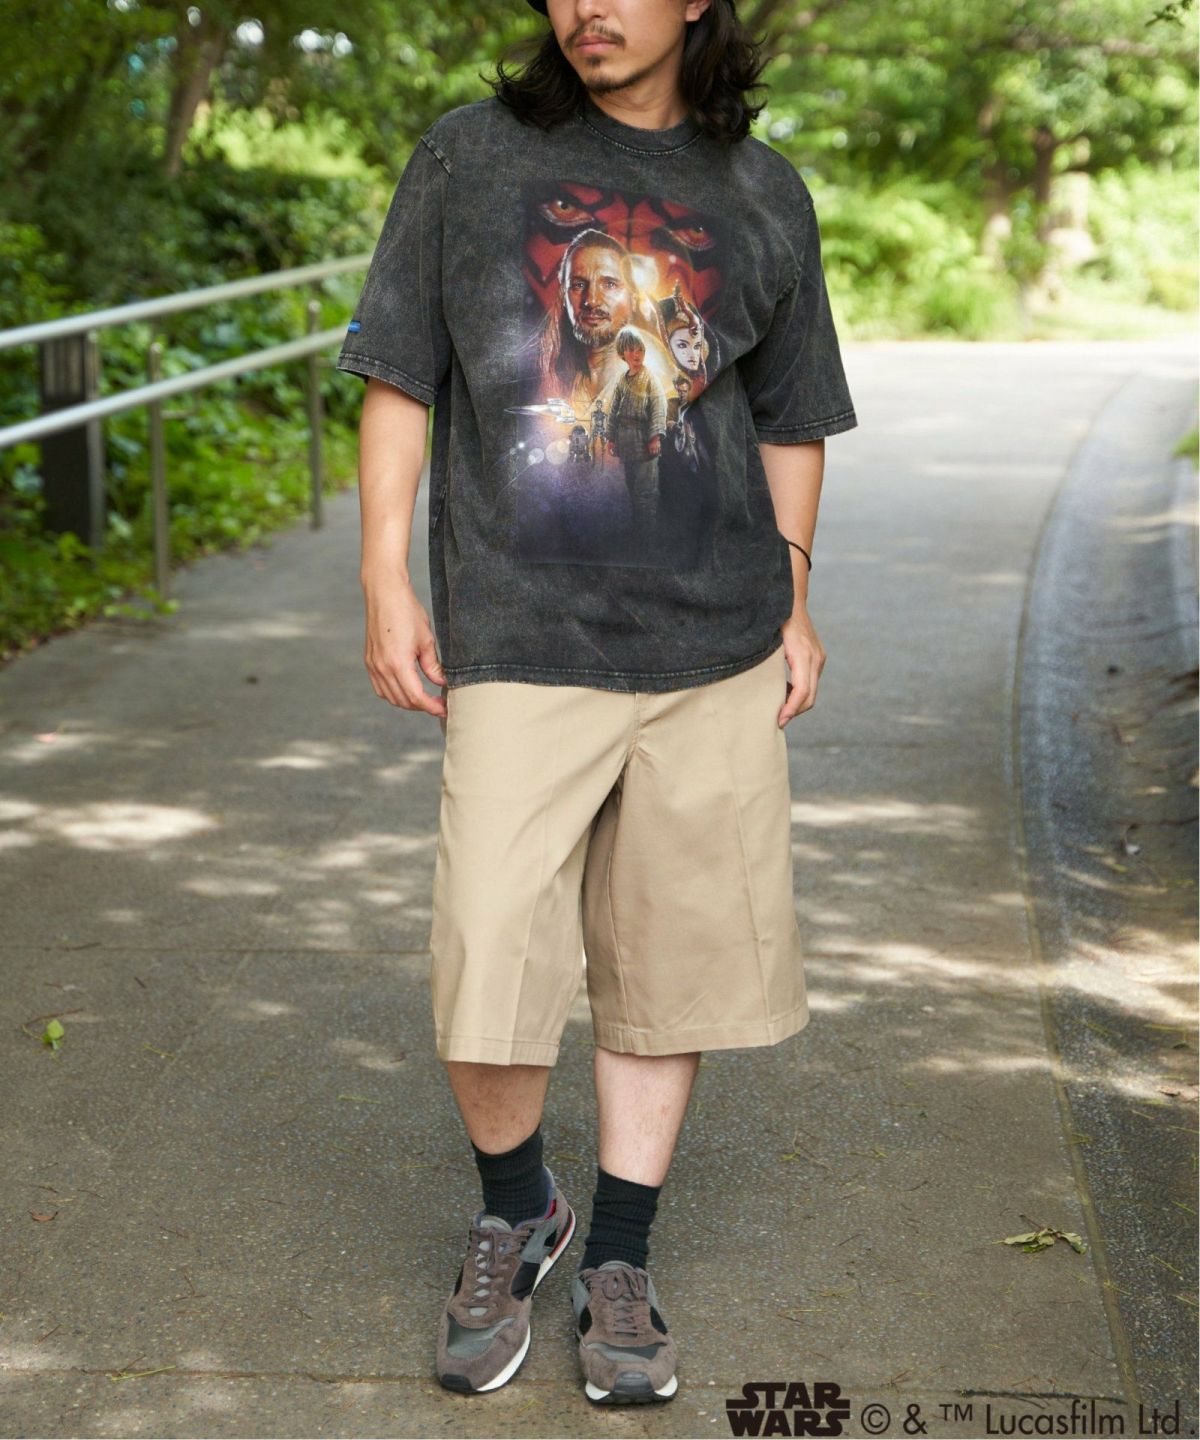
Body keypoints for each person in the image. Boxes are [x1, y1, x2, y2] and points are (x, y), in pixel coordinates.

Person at [336, 0, 858, 1408]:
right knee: (487, 948)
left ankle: (621, 1257)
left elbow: (792, 417)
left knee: (668, 958)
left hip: (715, 642)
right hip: (520, 631)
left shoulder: (764, 190)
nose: (588, 8)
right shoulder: (467, 158)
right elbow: (398, 374)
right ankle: (520, 1209)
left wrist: (795, 596)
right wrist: (384, 577)